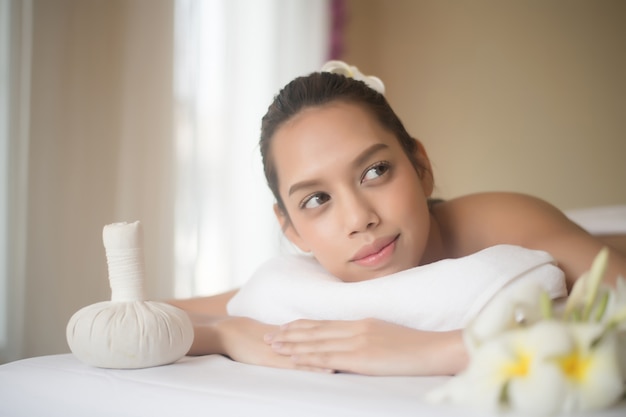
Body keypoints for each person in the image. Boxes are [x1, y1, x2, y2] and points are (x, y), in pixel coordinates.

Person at [168, 64, 626, 377]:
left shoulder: (503, 223)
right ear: (290, 229)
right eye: (316, 199)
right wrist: (224, 331)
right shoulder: (302, 285)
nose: (359, 219)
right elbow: (142, 313)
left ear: (420, 167)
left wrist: (427, 349)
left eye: (375, 171)